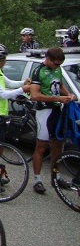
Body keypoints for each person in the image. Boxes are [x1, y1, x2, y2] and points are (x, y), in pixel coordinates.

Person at [29, 46, 78, 194]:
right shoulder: (38, 71)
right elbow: (34, 95)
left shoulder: (57, 69)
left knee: (58, 145)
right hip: (44, 111)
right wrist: (57, 98)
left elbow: (60, 85)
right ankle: (37, 180)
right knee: (42, 146)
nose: (58, 66)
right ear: (48, 59)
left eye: (60, 64)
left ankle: (55, 176)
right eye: (56, 63)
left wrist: (69, 95)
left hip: (57, 110)